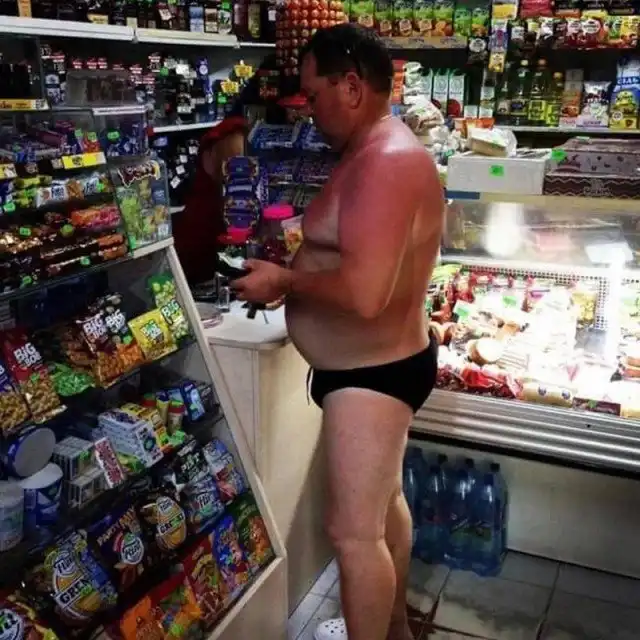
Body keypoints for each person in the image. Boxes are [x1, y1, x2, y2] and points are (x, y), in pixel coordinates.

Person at [232, 24, 444, 640]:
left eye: (313, 93)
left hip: (371, 374)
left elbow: (364, 294)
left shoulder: (388, 161)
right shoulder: (372, 151)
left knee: (353, 536)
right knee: (382, 509)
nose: (307, 108)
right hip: (372, 367)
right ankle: (396, 630)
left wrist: (285, 281)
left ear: (351, 87)